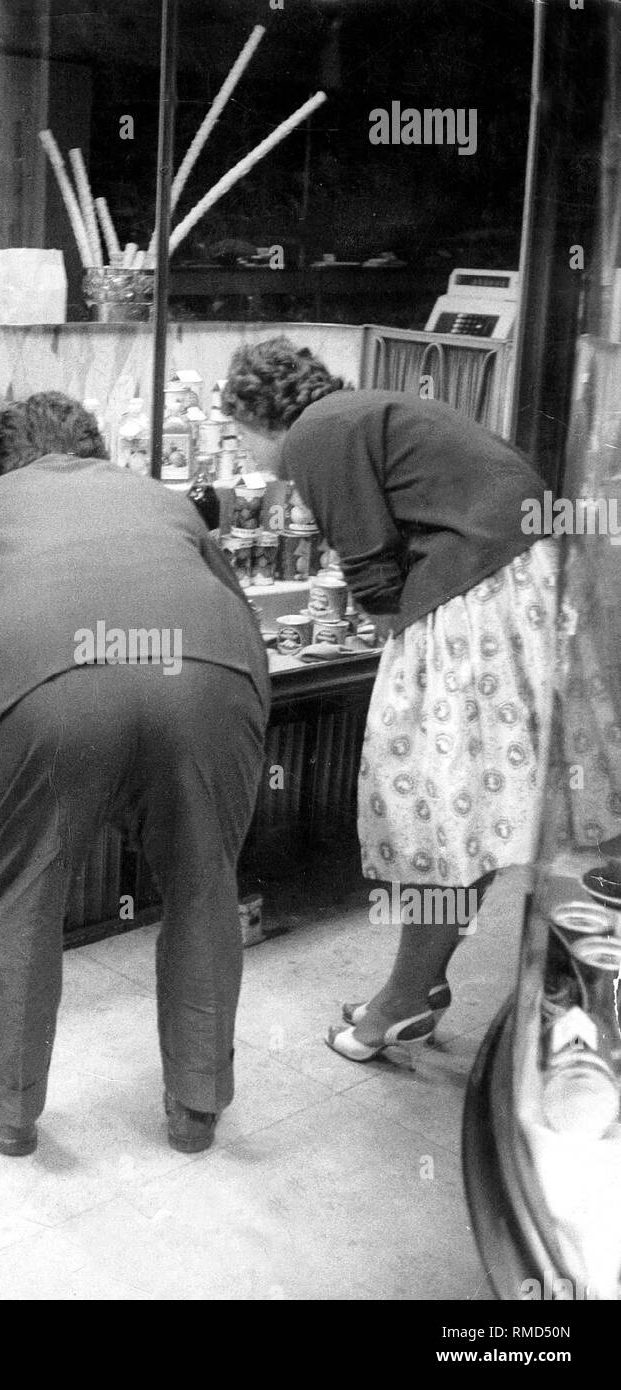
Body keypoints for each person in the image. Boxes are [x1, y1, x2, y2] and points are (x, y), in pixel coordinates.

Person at [222, 338, 621, 1066]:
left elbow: (371, 571)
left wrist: (399, 667)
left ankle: (403, 1000)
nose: (242, 452)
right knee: (467, 811)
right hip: (517, 582)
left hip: (477, 595)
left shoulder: (316, 431)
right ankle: (419, 988)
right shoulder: (364, 408)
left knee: (438, 813)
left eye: (238, 435)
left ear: (255, 415)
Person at [0, 391, 269, 1155]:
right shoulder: (165, 503)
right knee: (203, 887)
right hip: (211, 684)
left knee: (18, 904)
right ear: (95, 448)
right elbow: (237, 614)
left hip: (49, 694)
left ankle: (11, 1111)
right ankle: (197, 1108)